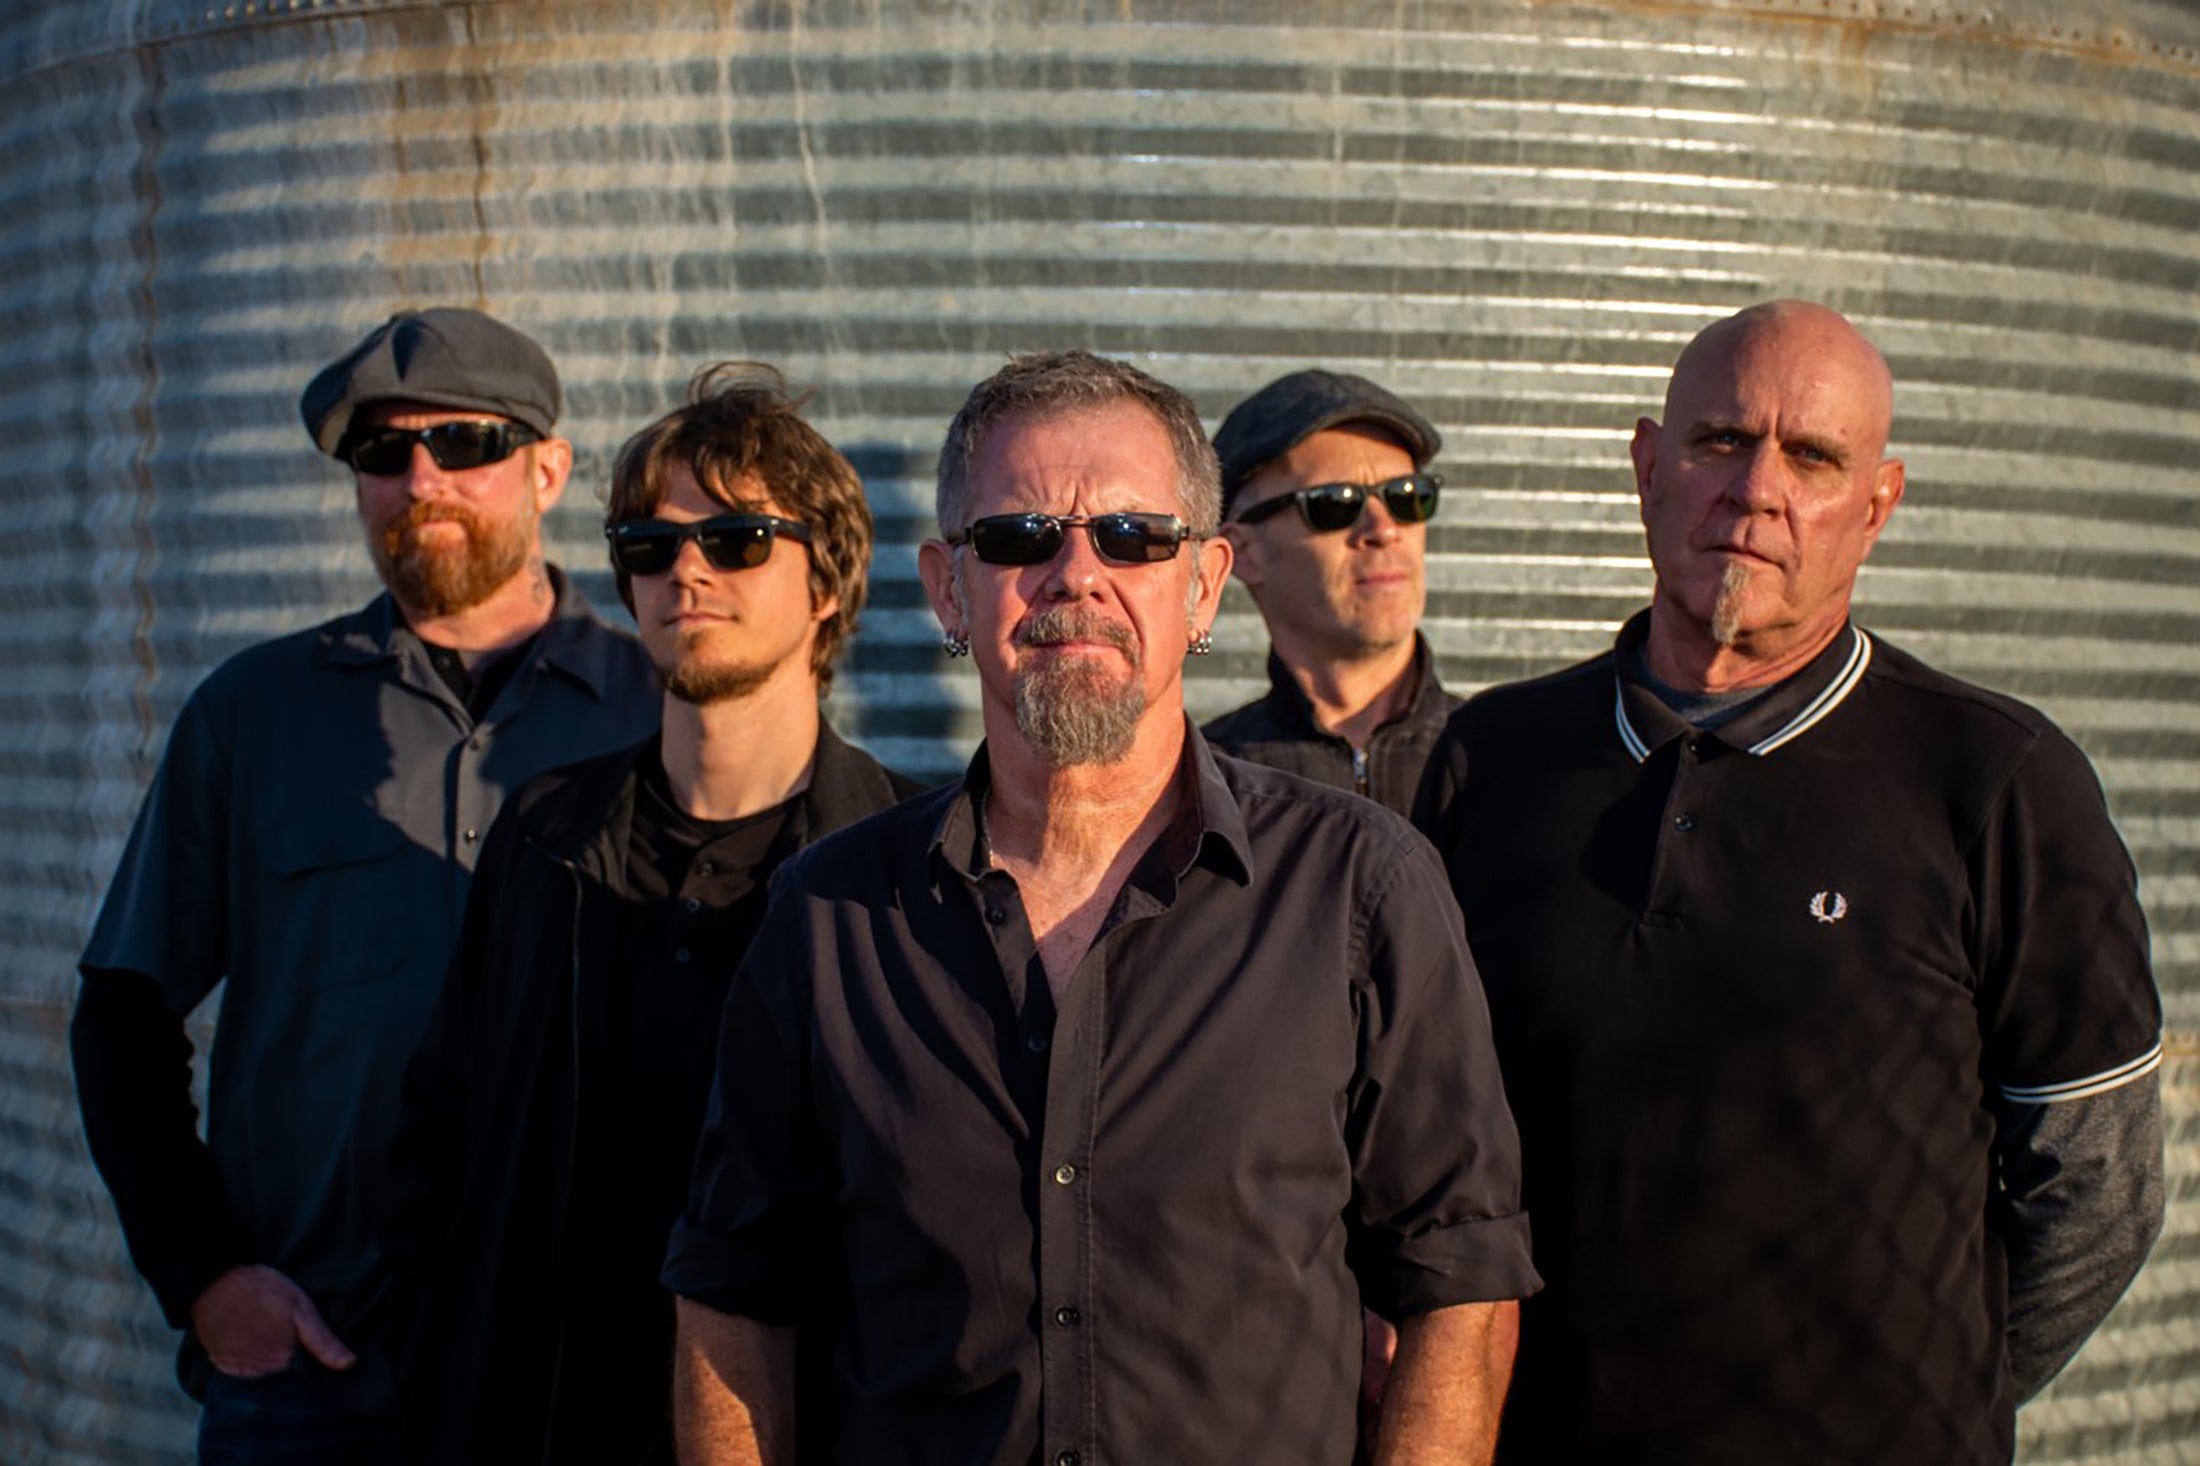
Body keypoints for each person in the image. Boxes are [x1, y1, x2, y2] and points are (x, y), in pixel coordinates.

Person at [662, 348, 1537, 1466]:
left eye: (1132, 535)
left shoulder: (1362, 888)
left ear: (1205, 585)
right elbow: (732, 1293)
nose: (1076, 574)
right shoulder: (827, 915)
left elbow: (1460, 1286)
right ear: (947, 588)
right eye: (1019, 537)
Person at [1414, 300, 2165, 1464]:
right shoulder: (1492, 761)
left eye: (1811, 455)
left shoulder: (1997, 782)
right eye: (1719, 439)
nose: (1756, 486)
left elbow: (2097, 1184)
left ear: (1876, 506)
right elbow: (1415, 1145)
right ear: (1646, 466)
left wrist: (1929, 1386)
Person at [69, 308, 660, 1462]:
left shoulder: (661, 709)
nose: (421, 477)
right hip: (315, 1375)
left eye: (466, 441)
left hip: (579, 1371)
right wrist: (203, 1276)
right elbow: (122, 1014)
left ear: (548, 469)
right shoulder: (254, 715)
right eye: (383, 454)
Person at [379, 362, 922, 1465]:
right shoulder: (545, 838)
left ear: (827, 584)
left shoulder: (907, 865)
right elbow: (441, 1137)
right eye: (649, 545)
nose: (686, 568)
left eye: (735, 539)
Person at [1203, 369, 1456, 815]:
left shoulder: (1510, 758)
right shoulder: (1204, 789)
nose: (1384, 529)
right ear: (1243, 552)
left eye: (1406, 496)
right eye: (1335, 503)